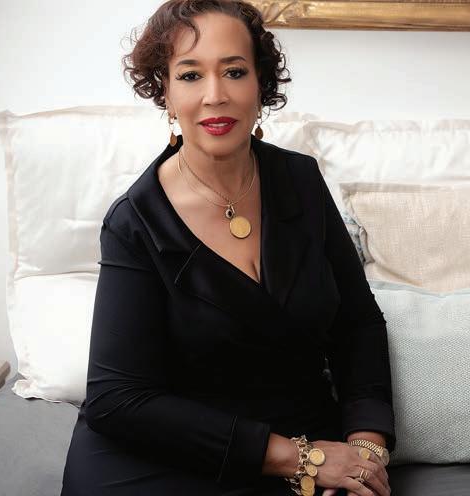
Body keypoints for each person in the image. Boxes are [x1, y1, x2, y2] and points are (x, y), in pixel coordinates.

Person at [60, 1, 395, 495]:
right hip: (171, 453)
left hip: (303, 429)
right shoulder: (135, 222)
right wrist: (300, 459)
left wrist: (366, 447)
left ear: (260, 85)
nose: (215, 95)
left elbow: (357, 323)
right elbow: (119, 398)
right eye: (190, 75)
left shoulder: (300, 180)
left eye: (235, 72)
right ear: (166, 92)